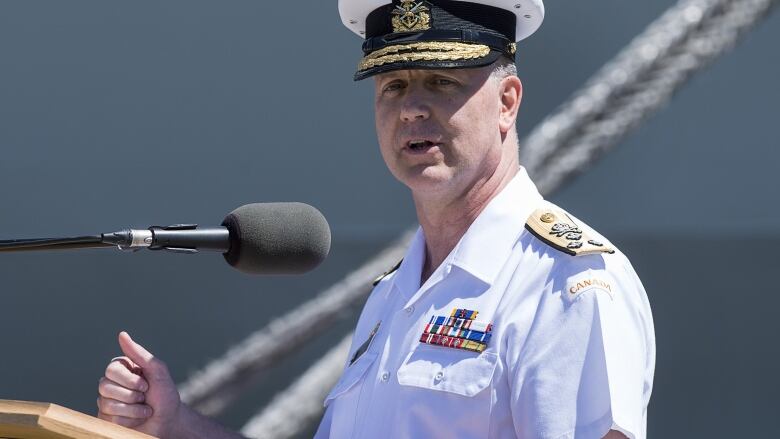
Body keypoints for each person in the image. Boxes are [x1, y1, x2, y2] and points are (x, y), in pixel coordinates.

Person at [97, 1, 655, 438]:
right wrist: (175, 427)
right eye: (393, 85)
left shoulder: (566, 287)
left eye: (441, 81)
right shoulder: (394, 296)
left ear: (507, 101)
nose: (412, 107)